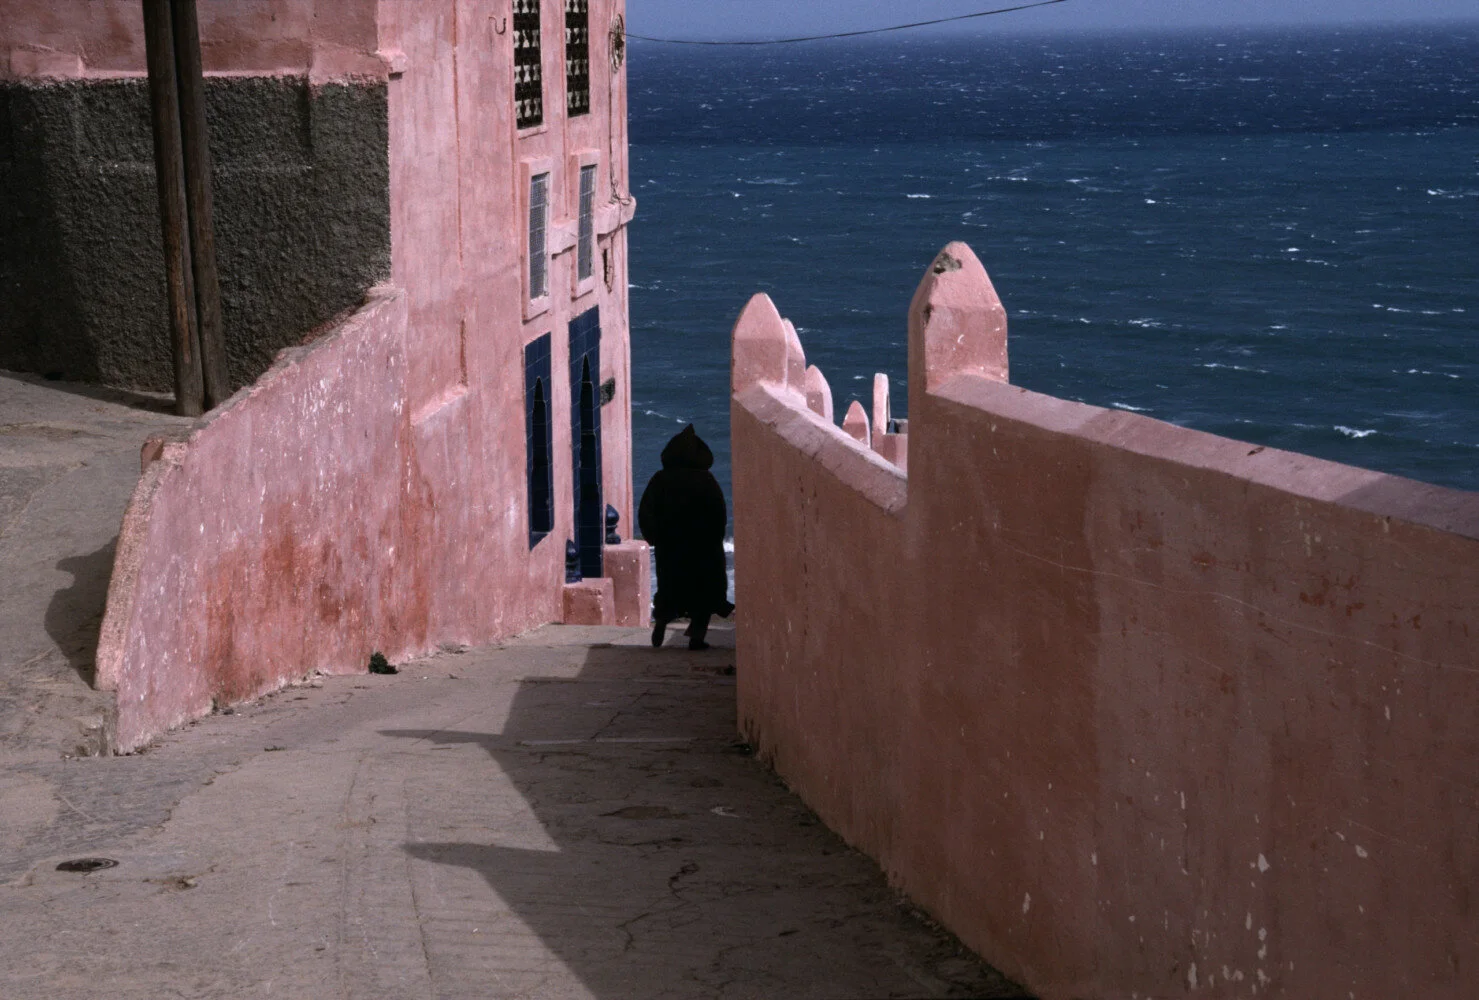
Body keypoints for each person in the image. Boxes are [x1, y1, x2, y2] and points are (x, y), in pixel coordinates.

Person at [638, 425, 733, 650]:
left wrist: (654, 538)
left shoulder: (660, 479)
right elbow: (719, 514)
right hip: (703, 548)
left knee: (670, 587)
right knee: (705, 591)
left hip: (669, 547)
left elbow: (646, 511)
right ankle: (697, 637)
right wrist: (715, 540)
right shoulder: (706, 480)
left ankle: (661, 620)